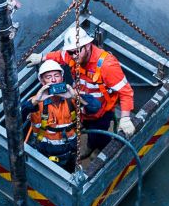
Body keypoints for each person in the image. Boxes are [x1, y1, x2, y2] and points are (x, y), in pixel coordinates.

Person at [27, 25, 135, 153]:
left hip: (100, 112)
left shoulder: (107, 65)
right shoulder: (71, 54)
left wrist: (125, 118)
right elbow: (59, 55)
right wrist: (42, 57)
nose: (73, 56)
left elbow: (126, 92)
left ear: (88, 45)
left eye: (77, 51)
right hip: (79, 103)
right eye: (70, 52)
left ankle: (94, 148)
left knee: (98, 137)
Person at [20, 59, 101, 172]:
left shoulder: (72, 97)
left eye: (56, 75)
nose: (53, 80)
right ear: (42, 82)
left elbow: (95, 108)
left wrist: (75, 96)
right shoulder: (35, 102)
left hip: (70, 155)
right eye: (48, 77)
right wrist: (35, 101)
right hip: (45, 156)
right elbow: (15, 119)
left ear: (62, 78)